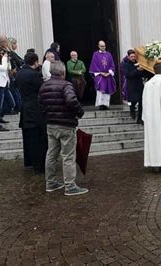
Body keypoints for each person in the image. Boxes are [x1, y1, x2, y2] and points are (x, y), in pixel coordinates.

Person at [38, 61, 87, 196]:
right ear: (62, 72)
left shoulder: (44, 86)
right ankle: (70, 186)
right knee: (68, 156)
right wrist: (79, 112)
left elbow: (40, 104)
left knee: (51, 155)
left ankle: (51, 182)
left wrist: (47, 115)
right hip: (66, 125)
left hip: (51, 124)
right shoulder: (66, 85)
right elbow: (71, 101)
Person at [16, 52, 47, 174]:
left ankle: (29, 162)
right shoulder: (34, 75)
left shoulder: (20, 73)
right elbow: (41, 89)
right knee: (39, 138)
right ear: (35, 62)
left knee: (28, 137)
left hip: (25, 108)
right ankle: (39, 165)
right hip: (35, 110)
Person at [89, 40, 116, 110]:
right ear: (98, 46)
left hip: (108, 75)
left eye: (104, 46)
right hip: (100, 75)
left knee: (107, 89)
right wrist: (101, 73)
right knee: (100, 90)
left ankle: (106, 104)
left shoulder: (108, 54)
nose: (103, 47)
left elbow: (112, 64)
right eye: (101, 46)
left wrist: (109, 72)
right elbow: (94, 65)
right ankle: (100, 104)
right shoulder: (95, 54)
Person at [122, 49, 144, 124]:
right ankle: (132, 110)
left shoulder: (138, 62)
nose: (133, 58)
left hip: (139, 84)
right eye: (131, 56)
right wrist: (137, 70)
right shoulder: (125, 64)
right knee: (133, 101)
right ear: (128, 57)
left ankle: (140, 118)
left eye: (134, 56)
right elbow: (128, 74)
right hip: (131, 85)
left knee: (141, 102)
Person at [7, 37, 24, 113]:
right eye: (15, 43)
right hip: (13, 73)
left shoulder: (12, 53)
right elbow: (20, 62)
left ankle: (17, 107)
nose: (16, 45)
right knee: (15, 91)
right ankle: (17, 107)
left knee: (15, 91)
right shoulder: (11, 53)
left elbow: (21, 62)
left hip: (14, 74)